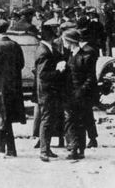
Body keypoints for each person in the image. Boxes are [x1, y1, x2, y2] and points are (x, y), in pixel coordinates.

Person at [0, 18, 26, 158]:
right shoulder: (15, 45)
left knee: (0, 118)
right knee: (7, 118)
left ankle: (0, 149)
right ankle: (11, 149)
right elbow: (21, 64)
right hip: (13, 87)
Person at [63, 28, 97, 160]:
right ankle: (79, 149)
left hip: (79, 95)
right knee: (77, 122)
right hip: (72, 94)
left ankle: (75, 149)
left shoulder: (85, 56)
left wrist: (80, 92)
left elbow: (90, 78)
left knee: (73, 122)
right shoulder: (72, 55)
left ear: (70, 42)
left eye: (65, 41)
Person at [35, 21, 66, 162]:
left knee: (49, 120)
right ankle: (43, 151)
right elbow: (43, 75)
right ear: (50, 37)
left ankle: (47, 148)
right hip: (47, 92)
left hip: (50, 92)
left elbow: (58, 56)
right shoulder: (44, 51)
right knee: (46, 121)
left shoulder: (47, 49)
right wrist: (58, 71)